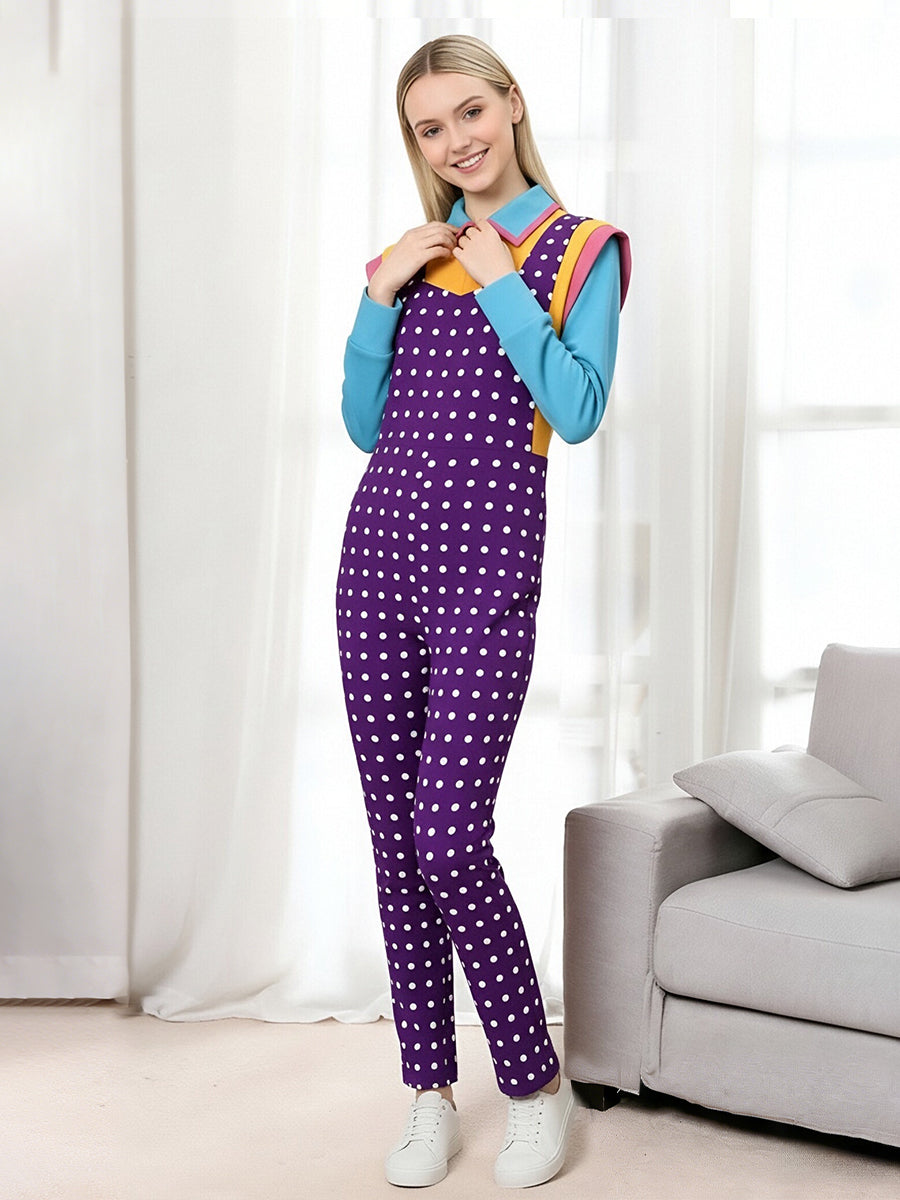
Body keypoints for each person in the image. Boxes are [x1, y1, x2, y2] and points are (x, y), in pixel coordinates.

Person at [335, 34, 631, 1190]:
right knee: (396, 840)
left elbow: (579, 404)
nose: (455, 141)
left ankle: (533, 1086)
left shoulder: (581, 249)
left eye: (469, 112)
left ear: (511, 105)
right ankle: (426, 1092)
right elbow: (366, 426)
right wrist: (378, 294)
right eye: (429, 127)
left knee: (448, 831)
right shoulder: (408, 260)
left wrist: (502, 279)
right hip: (377, 563)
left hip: (487, 570)